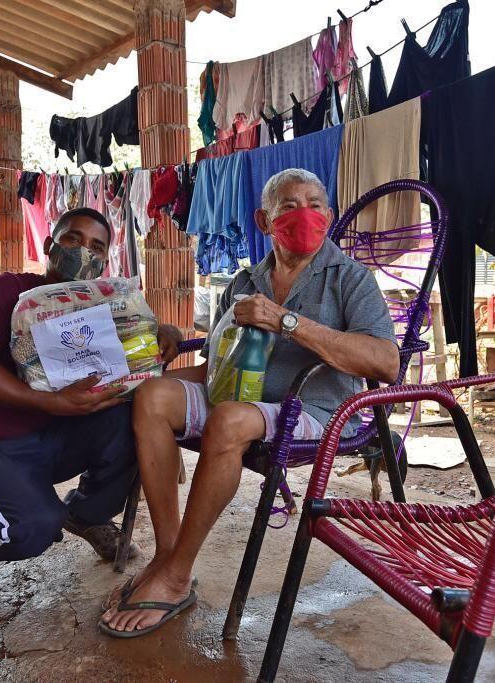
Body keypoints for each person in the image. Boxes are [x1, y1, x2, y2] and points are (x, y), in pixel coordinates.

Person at [101, 168, 399, 636]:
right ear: (264, 220)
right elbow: (218, 367)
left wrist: (288, 322)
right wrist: (148, 374)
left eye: (316, 204)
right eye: (289, 205)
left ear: (330, 214)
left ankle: (177, 577)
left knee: (230, 420)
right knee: (153, 395)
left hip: (319, 412)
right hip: (239, 399)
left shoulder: (350, 279)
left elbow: (386, 363)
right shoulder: (245, 281)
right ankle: (168, 552)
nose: (305, 213)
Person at [0, 207, 183, 588]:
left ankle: (88, 514)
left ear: (105, 264)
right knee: (31, 529)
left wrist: (164, 331)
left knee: (140, 417)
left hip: (59, 439)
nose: (83, 252)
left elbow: (138, 350)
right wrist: (48, 403)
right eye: (73, 239)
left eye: (97, 247)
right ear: (49, 244)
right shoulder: (7, 291)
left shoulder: (103, 307)